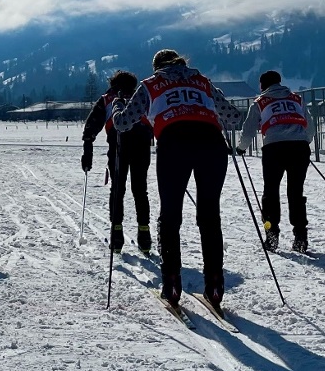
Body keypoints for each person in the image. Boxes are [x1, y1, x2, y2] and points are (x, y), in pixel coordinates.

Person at [111, 49, 242, 309]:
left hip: (174, 143)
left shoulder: (150, 84)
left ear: (157, 67)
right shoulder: (202, 81)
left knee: (170, 216)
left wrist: (116, 106)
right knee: (209, 215)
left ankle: (171, 284)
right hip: (212, 144)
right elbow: (234, 118)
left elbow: (124, 123)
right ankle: (215, 285)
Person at [237, 70, 315, 253]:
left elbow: (248, 130)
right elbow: (309, 124)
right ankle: (300, 237)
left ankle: (271, 236)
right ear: (280, 83)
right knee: (296, 192)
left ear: (262, 85)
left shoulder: (259, 102)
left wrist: (241, 148)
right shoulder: (297, 99)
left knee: (270, 192)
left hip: (274, 148)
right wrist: (304, 140)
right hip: (299, 147)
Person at [82, 70, 154, 253]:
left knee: (117, 190)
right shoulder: (141, 96)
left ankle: (116, 233)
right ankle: (144, 233)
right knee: (140, 189)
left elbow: (91, 126)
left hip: (118, 145)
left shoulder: (107, 99)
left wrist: (87, 152)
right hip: (142, 144)